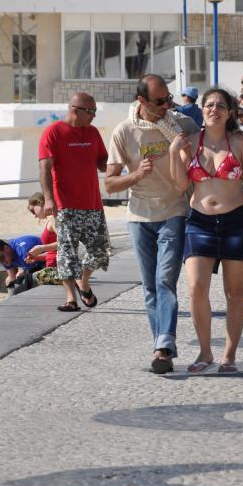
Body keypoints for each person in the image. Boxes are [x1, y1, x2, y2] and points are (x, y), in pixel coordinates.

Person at [169, 87, 243, 373]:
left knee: (234, 292)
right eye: (209, 105)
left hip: (236, 221)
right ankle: (204, 352)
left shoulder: (239, 143)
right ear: (202, 110)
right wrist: (174, 152)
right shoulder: (189, 143)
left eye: (220, 106)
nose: (214, 109)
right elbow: (179, 185)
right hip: (199, 220)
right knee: (195, 288)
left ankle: (229, 355)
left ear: (229, 113)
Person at [105, 74, 198, 374]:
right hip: (139, 217)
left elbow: (210, 140)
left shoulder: (180, 124)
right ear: (141, 101)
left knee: (164, 280)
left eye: (169, 98)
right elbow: (110, 185)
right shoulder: (124, 132)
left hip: (174, 211)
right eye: (160, 101)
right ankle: (161, 346)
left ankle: (163, 345)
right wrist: (136, 175)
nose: (166, 105)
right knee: (150, 287)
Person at [39, 92, 109, 312]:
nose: (94, 117)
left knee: (100, 251)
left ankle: (83, 283)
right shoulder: (53, 132)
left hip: (93, 203)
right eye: (91, 112)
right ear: (75, 110)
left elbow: (103, 164)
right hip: (66, 204)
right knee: (67, 252)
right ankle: (71, 299)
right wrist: (49, 198)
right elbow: (44, 167)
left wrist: (122, 156)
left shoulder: (93, 132)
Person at [25, 191, 58, 284]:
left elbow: (64, 242)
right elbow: (53, 253)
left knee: (23, 283)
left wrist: (42, 248)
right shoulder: (50, 220)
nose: (35, 216)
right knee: (22, 282)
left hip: (57, 268)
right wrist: (36, 257)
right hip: (53, 267)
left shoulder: (52, 219)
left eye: (33, 211)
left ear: (40, 203)